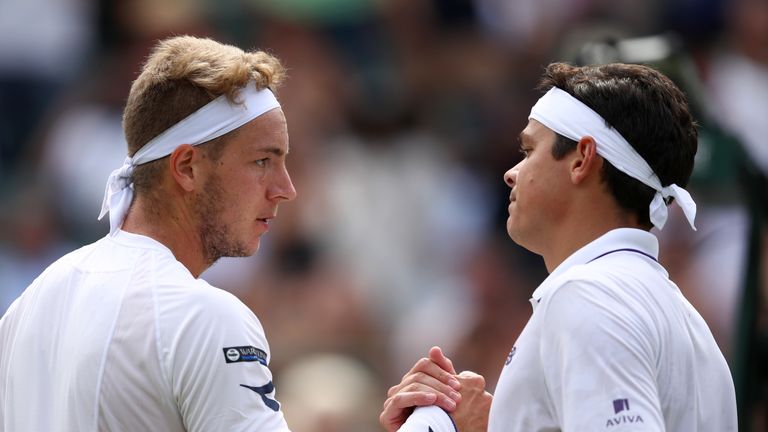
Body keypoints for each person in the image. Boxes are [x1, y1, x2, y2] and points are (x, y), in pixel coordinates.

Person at [380, 62, 738, 431]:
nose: (511, 172)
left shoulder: (590, 294)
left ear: (582, 158)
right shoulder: (685, 320)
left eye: (529, 150)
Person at [0, 35, 298, 431]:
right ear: (187, 167)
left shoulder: (29, 304)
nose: (285, 189)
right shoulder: (207, 318)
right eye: (262, 160)